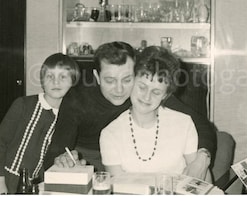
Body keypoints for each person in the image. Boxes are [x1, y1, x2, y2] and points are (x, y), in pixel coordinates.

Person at [45, 41, 216, 180]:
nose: (119, 89)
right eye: (110, 80)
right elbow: (56, 151)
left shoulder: (146, 93)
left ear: (137, 74)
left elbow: (201, 126)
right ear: (97, 77)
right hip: (88, 160)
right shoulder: (77, 99)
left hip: (128, 160)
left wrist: (202, 159)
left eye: (127, 79)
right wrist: (65, 160)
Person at [100, 46, 199, 178]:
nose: (147, 97)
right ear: (132, 81)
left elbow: (202, 179)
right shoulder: (110, 134)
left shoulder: (184, 124)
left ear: (165, 95)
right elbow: (117, 188)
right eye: (142, 87)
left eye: (156, 92)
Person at [0, 53, 80, 194]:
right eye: (50, 76)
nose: (56, 82)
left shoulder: (70, 117)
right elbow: (1, 142)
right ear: (42, 81)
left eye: (63, 77)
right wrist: (0, 182)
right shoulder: (23, 105)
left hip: (37, 186)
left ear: (73, 81)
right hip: (6, 180)